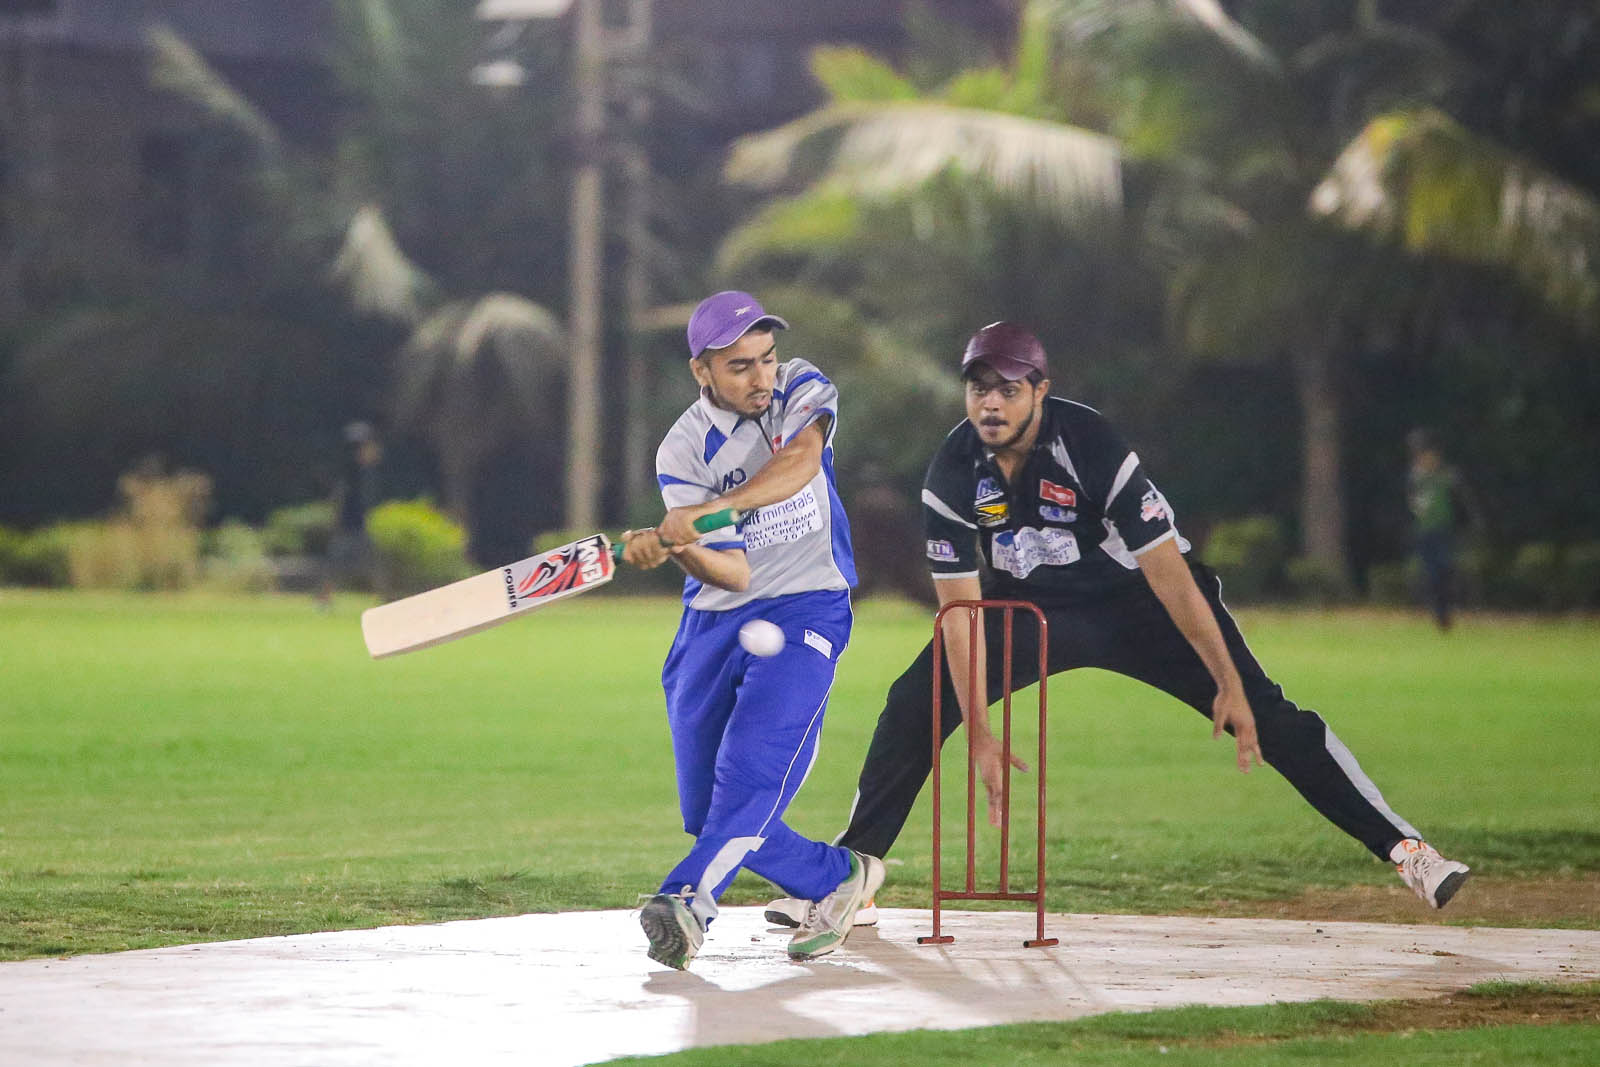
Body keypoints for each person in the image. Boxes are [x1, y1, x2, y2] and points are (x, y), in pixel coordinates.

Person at [766, 322, 1470, 928]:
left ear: (1041, 390)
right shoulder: (953, 467)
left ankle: (1408, 850)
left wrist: (1227, 681)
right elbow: (959, 612)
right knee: (912, 704)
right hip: (1032, 610)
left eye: (1008, 388)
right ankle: (847, 882)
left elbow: (1170, 574)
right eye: (978, 387)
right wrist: (977, 730)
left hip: (1140, 606)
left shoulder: (1091, 443)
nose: (991, 402)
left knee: (1268, 716)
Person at [619, 290, 884, 970]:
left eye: (765, 358)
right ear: (701, 370)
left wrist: (710, 512)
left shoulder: (800, 386)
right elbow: (731, 572)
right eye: (739, 366)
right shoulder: (683, 448)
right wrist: (675, 546)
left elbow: (799, 464)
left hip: (806, 608)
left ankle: (687, 903)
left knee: (750, 774)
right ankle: (838, 877)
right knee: (709, 811)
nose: (761, 376)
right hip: (712, 622)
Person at [1406, 428, 1469, 631]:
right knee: (1432, 573)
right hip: (1425, 532)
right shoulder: (1416, 478)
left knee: (1445, 568)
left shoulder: (1447, 476)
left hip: (1444, 529)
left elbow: (1459, 499)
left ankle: (1445, 609)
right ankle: (1440, 613)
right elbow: (1413, 504)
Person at [320, 420, 382, 607]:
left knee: (372, 563)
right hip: (349, 524)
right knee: (336, 564)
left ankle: (382, 598)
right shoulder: (352, 470)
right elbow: (340, 497)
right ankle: (325, 598)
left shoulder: (362, 471)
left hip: (358, 524)